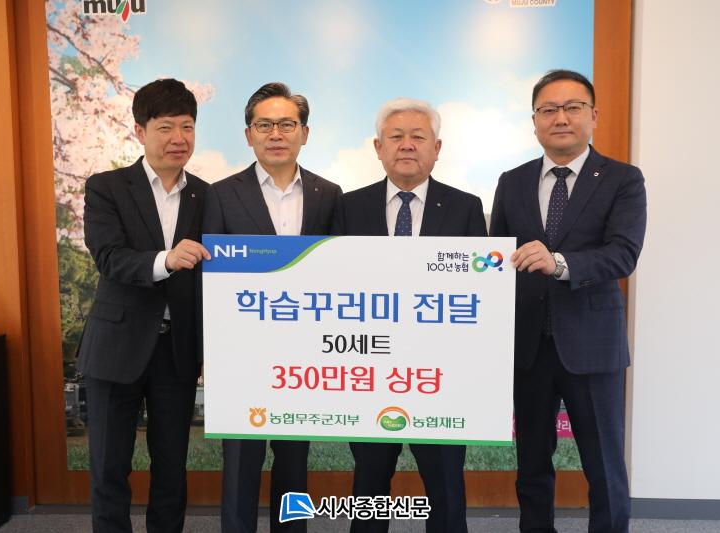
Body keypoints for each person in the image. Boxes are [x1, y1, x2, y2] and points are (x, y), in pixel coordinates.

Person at [489, 70, 647, 532]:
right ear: (534, 121)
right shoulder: (512, 181)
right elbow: (497, 259)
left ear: (593, 116)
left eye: (572, 107)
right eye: (548, 109)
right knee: (532, 463)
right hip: (528, 347)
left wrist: (558, 263)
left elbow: (623, 254)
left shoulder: (622, 179)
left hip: (592, 346)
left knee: (603, 464)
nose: (560, 118)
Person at [332, 97, 487, 533]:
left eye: (418, 137)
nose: (406, 145)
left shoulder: (465, 208)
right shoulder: (349, 207)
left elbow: (481, 296)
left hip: (440, 376)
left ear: (437, 148)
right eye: (396, 136)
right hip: (370, 371)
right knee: (369, 483)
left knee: (445, 486)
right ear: (377, 147)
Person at [203, 82, 342, 533]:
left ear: (305, 133)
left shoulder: (329, 194)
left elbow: (341, 274)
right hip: (240, 354)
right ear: (249, 135)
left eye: (287, 124)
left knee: (294, 464)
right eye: (265, 125)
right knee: (240, 465)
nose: (276, 134)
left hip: (305, 355)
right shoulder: (220, 195)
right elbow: (206, 280)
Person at [78, 78, 210, 533]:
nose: (179, 138)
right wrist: (165, 260)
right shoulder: (107, 187)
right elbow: (109, 257)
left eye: (187, 126)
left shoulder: (207, 195)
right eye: (166, 127)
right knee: (109, 466)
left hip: (177, 351)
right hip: (116, 347)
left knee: (172, 468)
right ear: (140, 131)